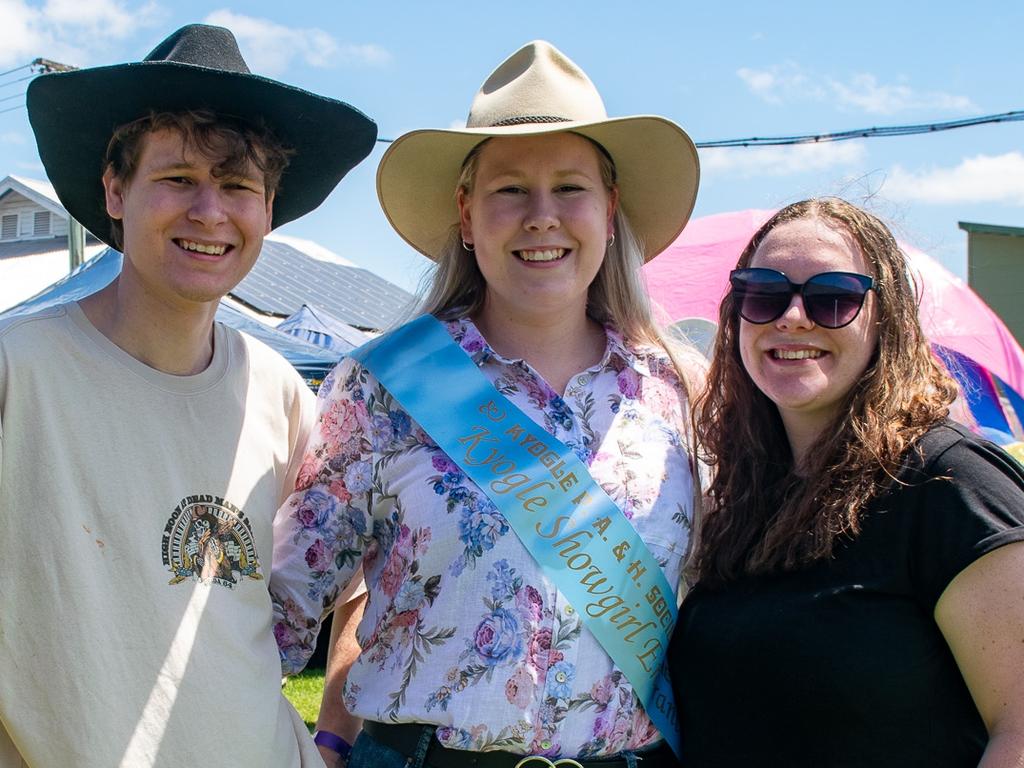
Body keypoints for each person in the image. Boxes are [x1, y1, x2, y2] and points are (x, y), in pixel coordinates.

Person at [270, 40, 702, 768]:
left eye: (570, 188)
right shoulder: (381, 387)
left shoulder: (681, 394)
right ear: (467, 216)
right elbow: (282, 612)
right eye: (509, 190)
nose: (542, 216)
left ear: (610, 210)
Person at [0, 23, 376, 767]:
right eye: (176, 178)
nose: (210, 211)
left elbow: (358, 580)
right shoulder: (20, 372)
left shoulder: (282, 395)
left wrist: (331, 737)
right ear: (115, 191)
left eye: (239, 186)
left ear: (268, 211)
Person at [669, 198, 1024, 767]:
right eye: (762, 292)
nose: (792, 316)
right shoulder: (741, 502)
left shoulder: (951, 483)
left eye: (833, 296)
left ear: (887, 319)